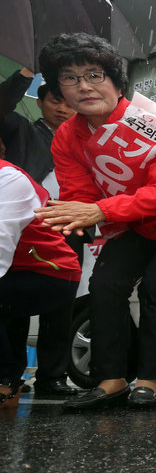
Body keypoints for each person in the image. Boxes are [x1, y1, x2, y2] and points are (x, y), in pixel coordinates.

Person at [34, 33, 156, 410]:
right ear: (58, 89)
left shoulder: (154, 123)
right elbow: (79, 192)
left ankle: (148, 379)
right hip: (133, 224)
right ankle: (111, 379)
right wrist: (69, 215)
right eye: (69, 77)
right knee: (105, 284)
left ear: (117, 82)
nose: (83, 86)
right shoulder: (66, 137)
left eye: (94, 74)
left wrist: (99, 211)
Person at [0, 71, 79, 397]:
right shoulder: (22, 130)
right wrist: (23, 76)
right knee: (12, 308)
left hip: (70, 222)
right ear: (40, 101)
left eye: (67, 101)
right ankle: (12, 375)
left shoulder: (84, 138)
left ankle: (52, 377)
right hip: (25, 221)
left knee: (60, 311)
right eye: (53, 100)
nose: (61, 108)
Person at [0, 161, 81, 408]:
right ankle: (11, 378)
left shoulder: (9, 179)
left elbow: (1, 241)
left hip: (51, 270)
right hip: (14, 269)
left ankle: (5, 383)